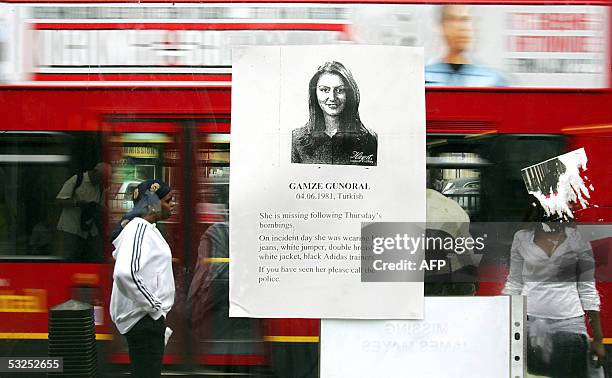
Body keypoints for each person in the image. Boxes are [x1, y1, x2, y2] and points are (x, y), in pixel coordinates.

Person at [503, 203, 605, 377]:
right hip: (529, 323)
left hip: (570, 323)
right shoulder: (521, 238)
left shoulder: (578, 239)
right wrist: (503, 322)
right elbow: (514, 283)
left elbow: (587, 288)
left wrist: (598, 339)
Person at [110, 179, 175, 378]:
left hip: (147, 318)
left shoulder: (148, 229)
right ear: (151, 203)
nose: (172, 204)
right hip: (144, 319)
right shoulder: (139, 228)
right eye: (167, 200)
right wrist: (154, 306)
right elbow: (125, 273)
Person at [291, 61, 378, 166]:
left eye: (340, 90)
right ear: (314, 93)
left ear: (349, 94)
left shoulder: (369, 140)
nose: (332, 97)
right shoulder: (296, 140)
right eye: (324, 90)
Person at [425, 5, 508, 87]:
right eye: (453, 20)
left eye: (466, 20)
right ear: (442, 26)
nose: (462, 27)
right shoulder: (426, 76)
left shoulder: (492, 79)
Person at [55, 162, 110, 261]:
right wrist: (78, 203)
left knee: (96, 255)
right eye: (101, 178)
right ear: (95, 172)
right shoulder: (77, 180)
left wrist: (97, 208)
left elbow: (102, 208)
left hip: (89, 229)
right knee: (70, 257)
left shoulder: (100, 188)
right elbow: (59, 201)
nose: (101, 181)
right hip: (70, 228)